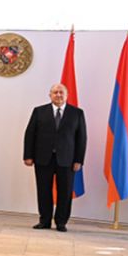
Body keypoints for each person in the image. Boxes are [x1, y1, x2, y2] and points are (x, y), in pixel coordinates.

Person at [23, 82, 87, 232]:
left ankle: (61, 222)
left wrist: (79, 160)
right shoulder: (39, 111)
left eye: (61, 92)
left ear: (67, 95)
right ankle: (44, 220)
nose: (58, 95)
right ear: (50, 95)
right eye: (55, 92)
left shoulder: (77, 113)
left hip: (67, 160)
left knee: (65, 192)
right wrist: (28, 155)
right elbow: (30, 134)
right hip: (43, 158)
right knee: (43, 190)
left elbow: (82, 138)